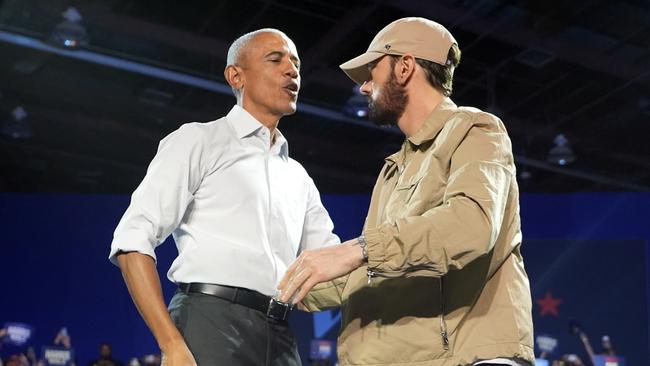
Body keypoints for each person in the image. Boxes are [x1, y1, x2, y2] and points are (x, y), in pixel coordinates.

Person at [279, 17, 534, 365]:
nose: (366, 88)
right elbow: (376, 267)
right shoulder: (393, 169)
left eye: (372, 72)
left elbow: (469, 226)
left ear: (404, 67)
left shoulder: (475, 129)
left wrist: (359, 249)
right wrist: (287, 283)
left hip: (466, 357)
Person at [109, 28, 339, 366]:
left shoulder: (299, 177)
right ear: (236, 75)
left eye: (296, 64)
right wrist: (171, 343)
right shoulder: (198, 140)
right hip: (209, 324)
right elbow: (132, 241)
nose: (292, 70)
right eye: (275, 59)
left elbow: (332, 266)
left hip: (281, 336)